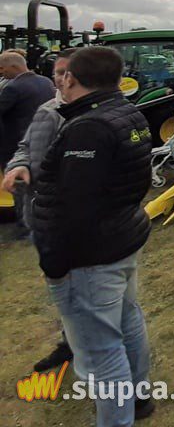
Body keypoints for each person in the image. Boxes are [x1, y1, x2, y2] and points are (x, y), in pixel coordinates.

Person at [32, 46, 154, 424]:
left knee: (101, 351)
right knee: (127, 319)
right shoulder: (125, 112)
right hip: (120, 238)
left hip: (90, 255)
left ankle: (119, 416)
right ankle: (139, 396)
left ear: (70, 77)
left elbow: (76, 205)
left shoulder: (88, 127)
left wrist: (55, 261)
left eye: (62, 76)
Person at [2, 49, 74, 372]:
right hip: (42, 212)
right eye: (57, 73)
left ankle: (81, 348)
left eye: (66, 73)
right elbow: (26, 145)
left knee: (76, 291)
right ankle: (69, 339)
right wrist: (19, 164)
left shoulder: (87, 116)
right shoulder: (47, 102)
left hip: (62, 218)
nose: (60, 79)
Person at [0, 51, 56, 230]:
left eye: (2, 68)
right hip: (43, 139)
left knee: (18, 185)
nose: (2, 72)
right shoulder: (46, 82)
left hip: (16, 143)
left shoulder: (12, 88)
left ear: (14, 66)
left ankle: (24, 226)